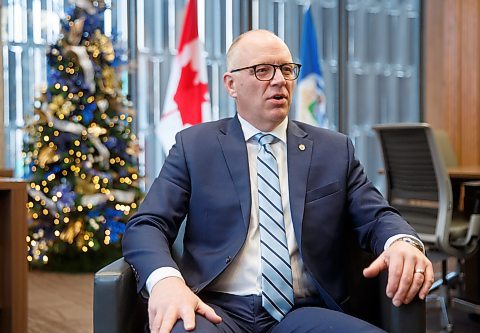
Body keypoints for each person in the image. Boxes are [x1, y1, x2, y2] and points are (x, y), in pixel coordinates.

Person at [122, 29, 434, 333]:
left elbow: (376, 216)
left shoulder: (333, 149)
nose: (279, 80)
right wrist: (166, 280)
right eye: (262, 70)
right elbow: (148, 223)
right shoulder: (195, 146)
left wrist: (401, 242)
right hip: (215, 307)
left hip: (304, 311)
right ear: (231, 84)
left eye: (286, 69)